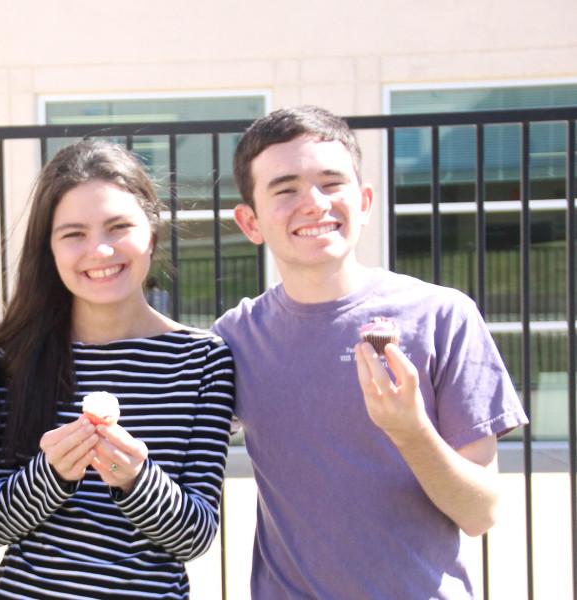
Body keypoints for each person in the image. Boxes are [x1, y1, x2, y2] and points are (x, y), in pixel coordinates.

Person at [212, 106, 528, 598]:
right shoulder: (235, 338)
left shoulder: (442, 316)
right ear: (249, 222)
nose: (314, 203)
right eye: (286, 188)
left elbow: (480, 513)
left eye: (331, 182)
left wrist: (410, 431)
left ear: (363, 201)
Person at [0, 139, 235, 598]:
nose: (99, 250)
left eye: (118, 227)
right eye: (73, 234)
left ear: (151, 233)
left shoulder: (202, 360)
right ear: (50, 249)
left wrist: (136, 479)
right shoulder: (11, 357)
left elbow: (195, 537)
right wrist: (53, 472)